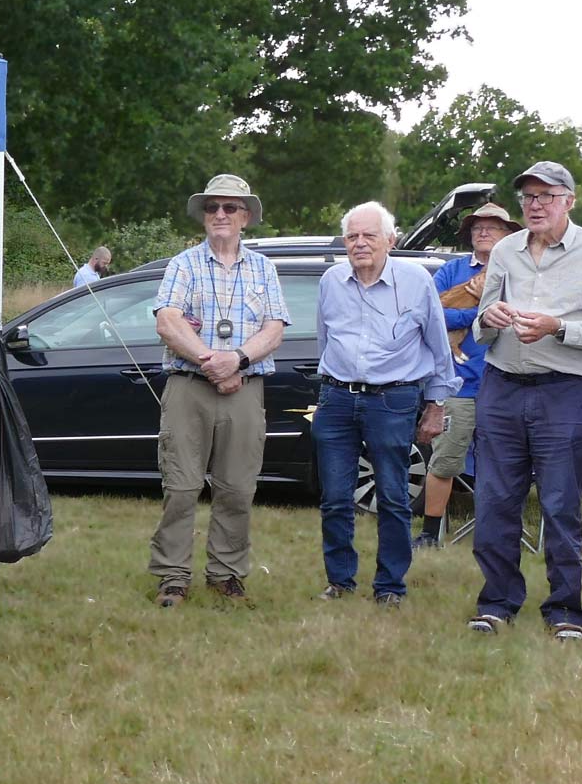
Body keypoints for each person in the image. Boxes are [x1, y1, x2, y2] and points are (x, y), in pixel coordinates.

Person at [469, 160, 582, 640]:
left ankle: (564, 609)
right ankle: (496, 602)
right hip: (501, 388)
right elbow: (478, 324)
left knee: (560, 505)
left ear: (569, 202)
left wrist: (557, 327)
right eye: (529, 197)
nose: (536, 205)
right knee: (494, 502)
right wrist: (489, 317)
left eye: (547, 196)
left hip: (563, 393)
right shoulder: (506, 250)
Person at [147, 174, 290, 607]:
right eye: (213, 208)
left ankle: (226, 574)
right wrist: (213, 362)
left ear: (246, 216)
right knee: (181, 486)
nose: (220, 215)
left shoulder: (264, 268)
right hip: (189, 386)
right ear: (204, 216)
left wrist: (239, 360)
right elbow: (167, 320)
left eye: (230, 207)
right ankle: (172, 577)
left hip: (245, 387)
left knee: (237, 487)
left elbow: (275, 328)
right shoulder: (183, 264)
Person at [312, 201, 455, 604]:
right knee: (335, 497)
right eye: (352, 236)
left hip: (393, 400)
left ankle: (390, 586)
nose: (359, 244)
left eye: (369, 236)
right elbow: (327, 340)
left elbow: (437, 347)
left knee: (393, 496)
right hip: (337, 397)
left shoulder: (415, 281)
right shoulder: (330, 281)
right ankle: (340, 581)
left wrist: (436, 404)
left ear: (390, 240)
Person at [416, 202, 519, 546]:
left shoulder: (520, 273)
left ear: (508, 235)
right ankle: (430, 534)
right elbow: (427, 315)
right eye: (477, 228)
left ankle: (499, 534)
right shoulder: (451, 271)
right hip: (458, 386)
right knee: (444, 462)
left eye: (492, 227)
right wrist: (479, 314)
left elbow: (523, 318)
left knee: (505, 465)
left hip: (506, 383)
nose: (484, 232)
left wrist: (471, 313)